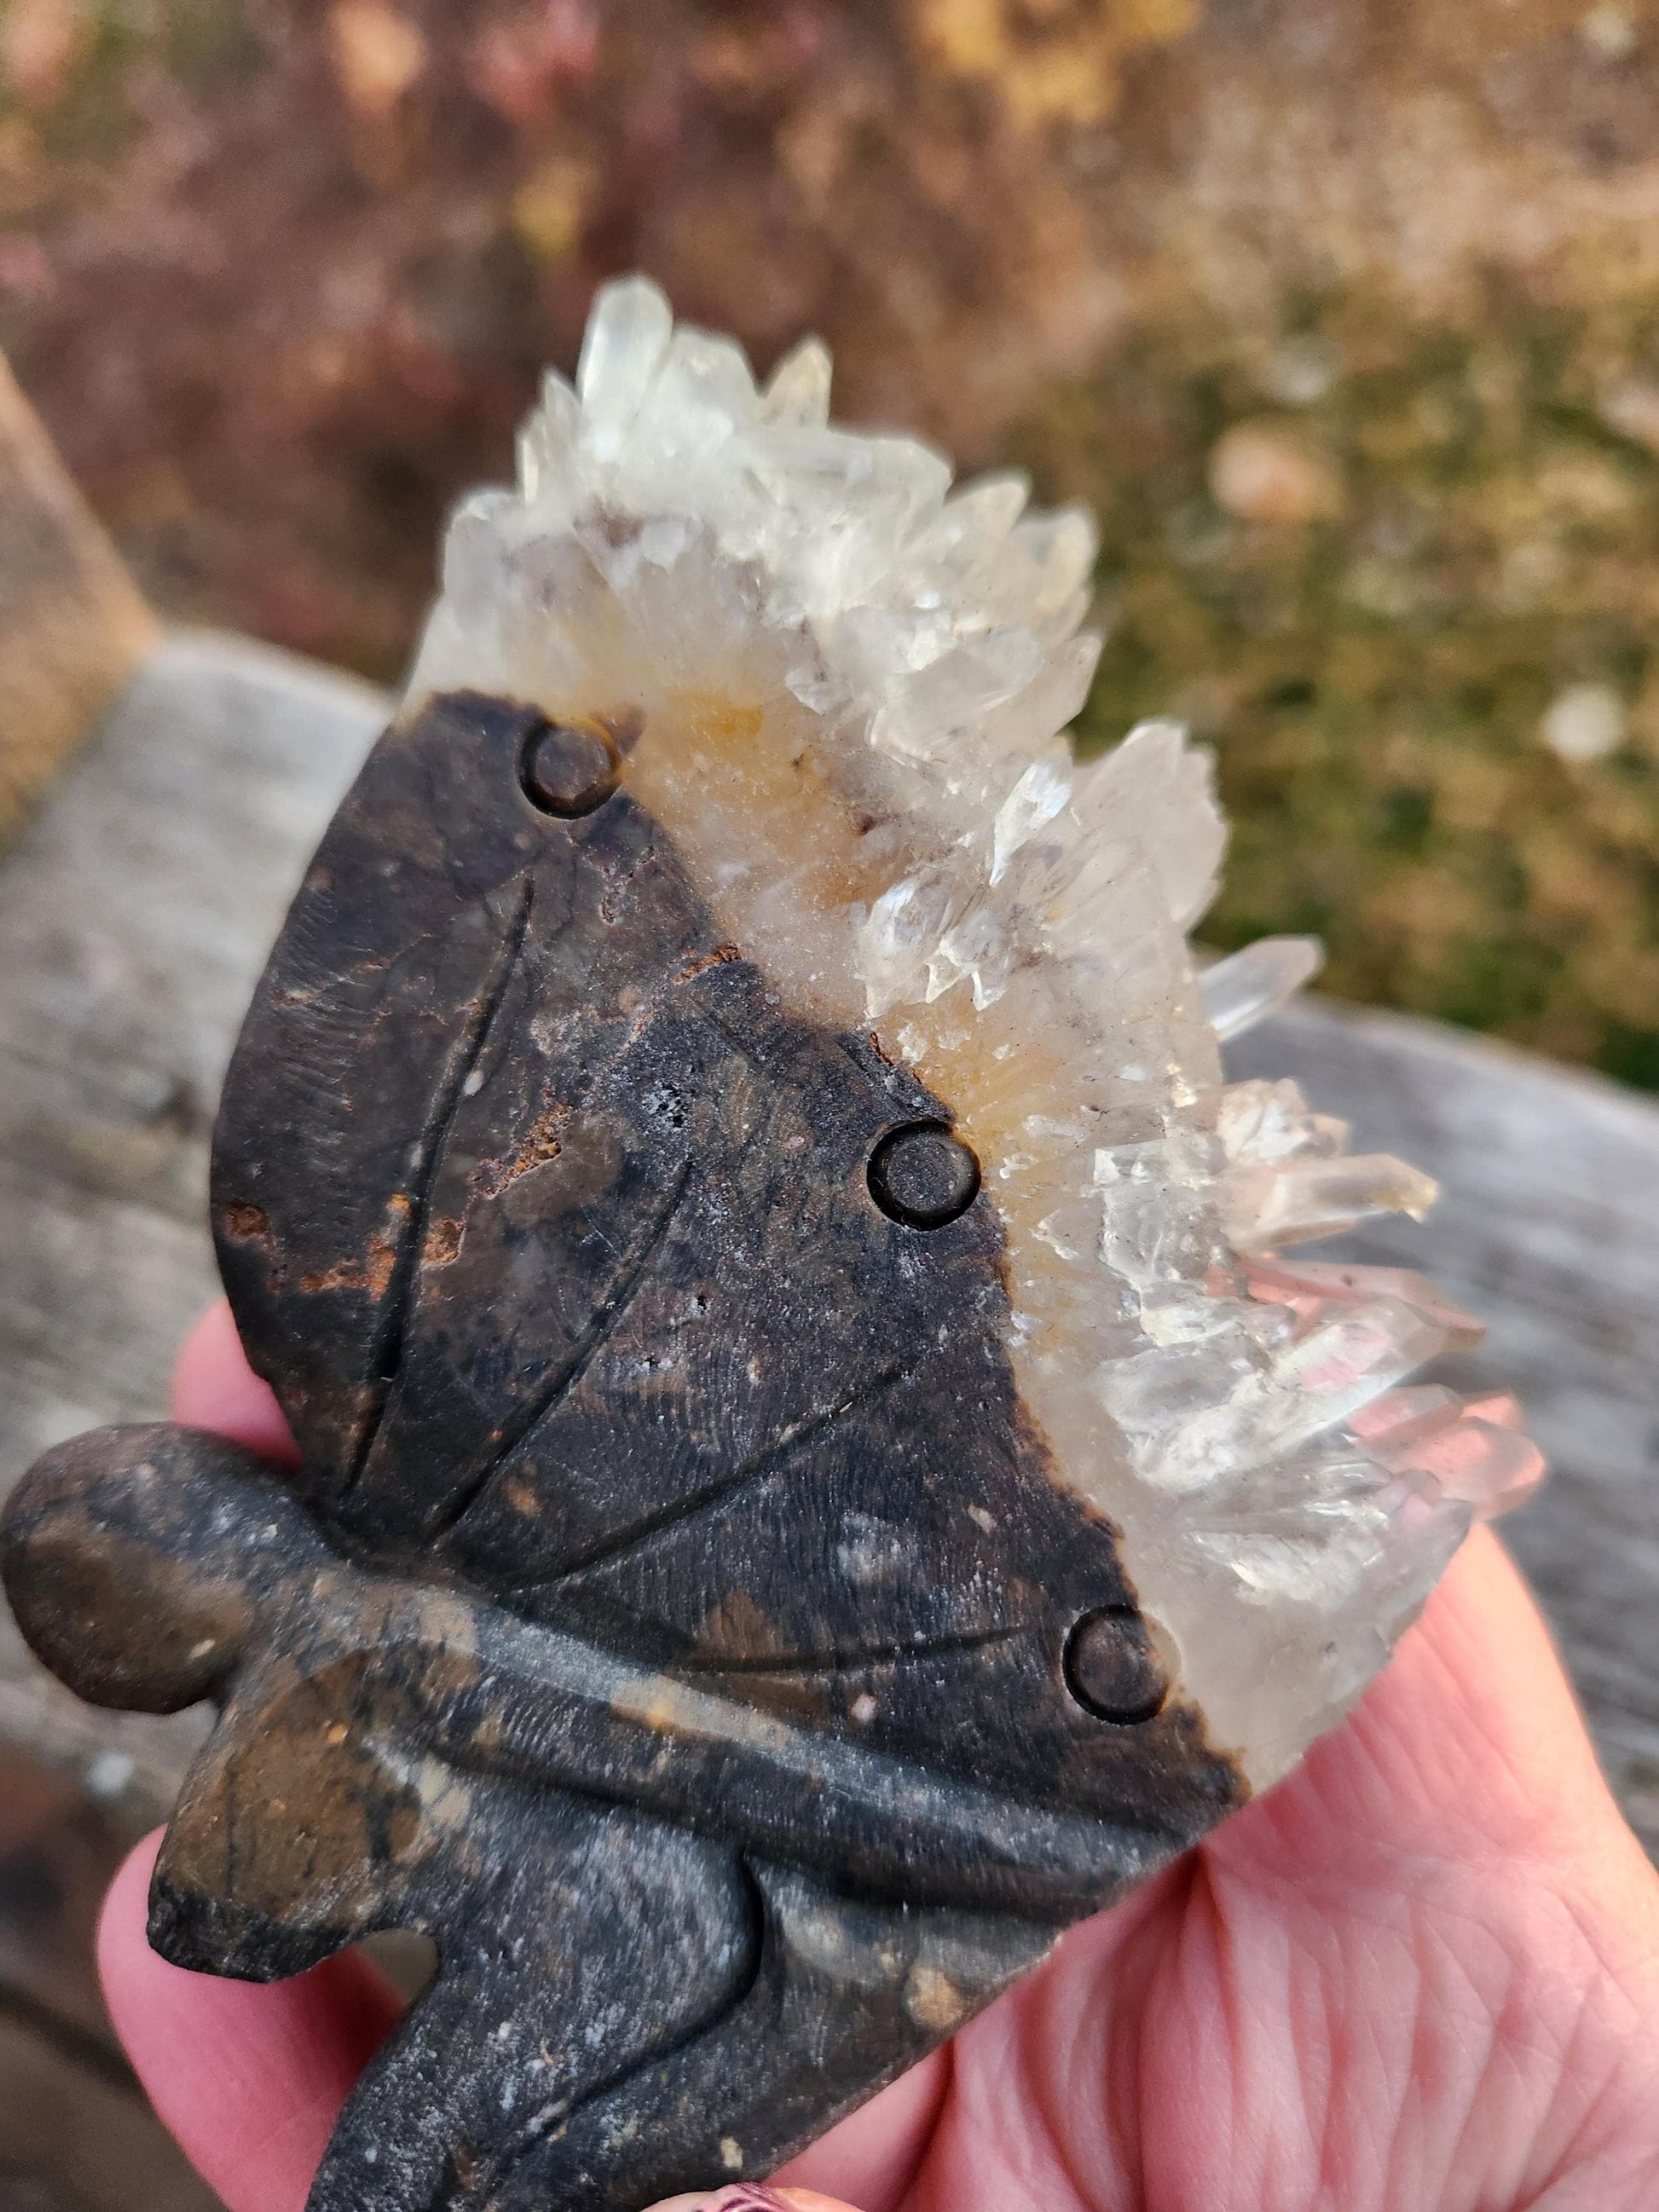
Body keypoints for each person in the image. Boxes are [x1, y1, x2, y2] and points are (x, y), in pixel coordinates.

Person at [96, 1302, 1659, 2212]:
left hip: (783, 1896)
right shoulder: (446, 1461)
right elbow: (217, 1920)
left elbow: (217, 1920)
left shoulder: (315, 1701)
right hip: (783, 1893)